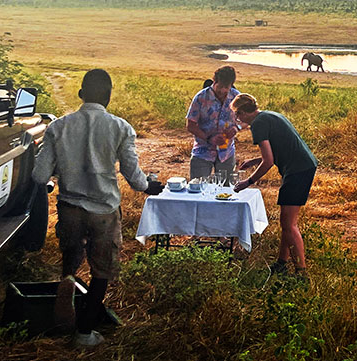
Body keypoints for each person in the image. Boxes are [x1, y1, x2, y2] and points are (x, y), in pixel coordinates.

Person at [33, 69, 163, 346]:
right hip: (104, 211)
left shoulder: (58, 127)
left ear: (81, 95)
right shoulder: (120, 127)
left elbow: (39, 175)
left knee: (71, 258)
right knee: (101, 271)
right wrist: (148, 186)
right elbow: (133, 174)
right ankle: (84, 333)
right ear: (108, 97)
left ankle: (65, 293)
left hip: (69, 207)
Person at [231, 94, 317, 276]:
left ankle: (302, 274)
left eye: (237, 115)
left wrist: (249, 181)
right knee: (287, 222)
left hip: (298, 170)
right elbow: (279, 147)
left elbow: (269, 161)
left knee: (289, 224)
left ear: (243, 112)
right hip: (302, 166)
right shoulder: (269, 115)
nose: (238, 119)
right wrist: (254, 161)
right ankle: (281, 263)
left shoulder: (258, 124)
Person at [186, 66, 240, 185]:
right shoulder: (201, 98)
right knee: (198, 190)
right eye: (220, 86)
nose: (222, 91)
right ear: (214, 81)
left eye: (226, 87)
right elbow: (190, 125)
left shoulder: (236, 97)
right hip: (203, 151)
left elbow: (247, 118)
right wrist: (209, 138)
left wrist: (237, 128)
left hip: (227, 153)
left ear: (231, 85)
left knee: (226, 191)